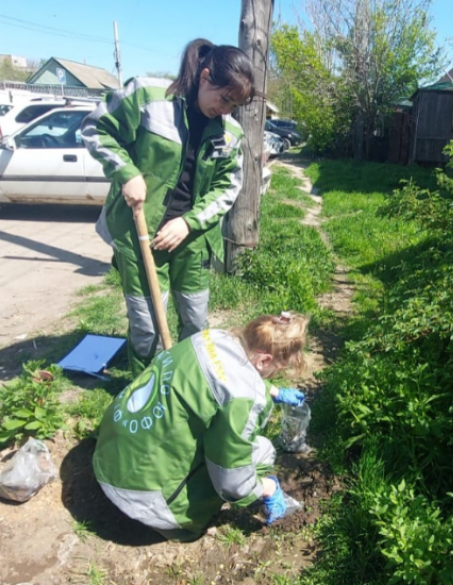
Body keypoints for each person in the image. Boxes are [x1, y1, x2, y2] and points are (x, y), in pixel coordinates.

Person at [82, 38, 255, 376]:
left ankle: (187, 384)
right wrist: (127, 173)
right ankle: (144, 391)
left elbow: (227, 187)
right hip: (140, 232)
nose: (226, 110)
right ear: (205, 77)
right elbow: (96, 128)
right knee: (146, 323)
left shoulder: (229, 132)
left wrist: (189, 223)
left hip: (191, 239)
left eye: (234, 105)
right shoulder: (148, 97)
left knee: (195, 317)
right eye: (224, 99)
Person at [92, 312, 309, 542]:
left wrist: (272, 391)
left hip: (109, 452)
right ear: (264, 361)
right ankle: (174, 518)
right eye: (279, 368)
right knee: (262, 450)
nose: (277, 374)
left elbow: (227, 377)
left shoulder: (210, 338)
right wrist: (268, 489)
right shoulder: (243, 398)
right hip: (139, 492)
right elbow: (232, 479)